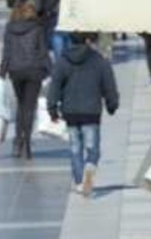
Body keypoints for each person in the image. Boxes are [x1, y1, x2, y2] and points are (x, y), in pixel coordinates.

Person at [47, 32, 119, 197]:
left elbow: (55, 86)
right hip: (91, 111)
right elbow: (109, 85)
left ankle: (80, 182)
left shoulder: (63, 61)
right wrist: (112, 105)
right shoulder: (99, 60)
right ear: (88, 40)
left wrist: (52, 108)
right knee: (93, 149)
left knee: (75, 149)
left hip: (70, 112)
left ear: (71, 40)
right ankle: (90, 166)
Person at [1, 0, 48, 160]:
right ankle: (27, 141)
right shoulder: (38, 28)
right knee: (30, 107)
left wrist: (2, 71)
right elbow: (42, 52)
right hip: (34, 70)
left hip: (16, 70)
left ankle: (18, 140)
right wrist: (51, 70)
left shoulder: (10, 28)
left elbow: (6, 52)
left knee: (21, 105)